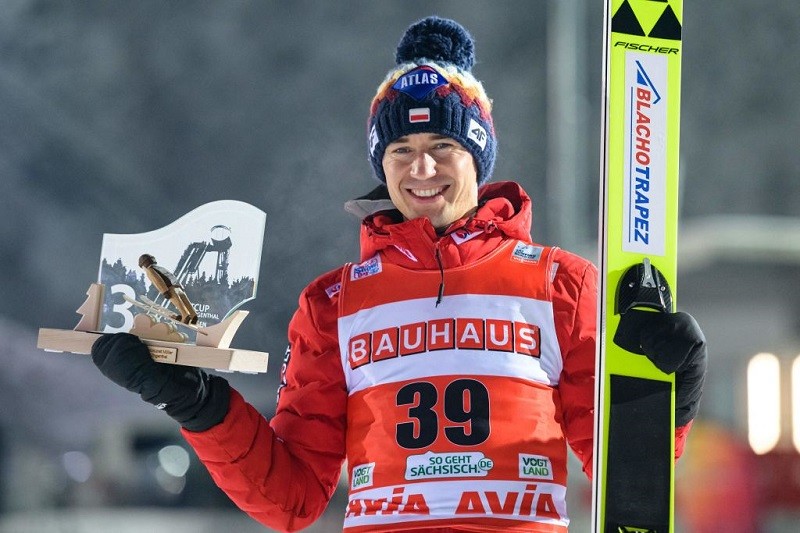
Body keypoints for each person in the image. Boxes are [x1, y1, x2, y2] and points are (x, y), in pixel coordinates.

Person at [91, 16, 707, 532]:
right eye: (401, 152)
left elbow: (616, 467)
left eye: (443, 146)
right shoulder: (334, 302)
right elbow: (293, 496)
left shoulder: (560, 284)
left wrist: (668, 400)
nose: (422, 169)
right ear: (381, 165)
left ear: (478, 157)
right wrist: (197, 405)